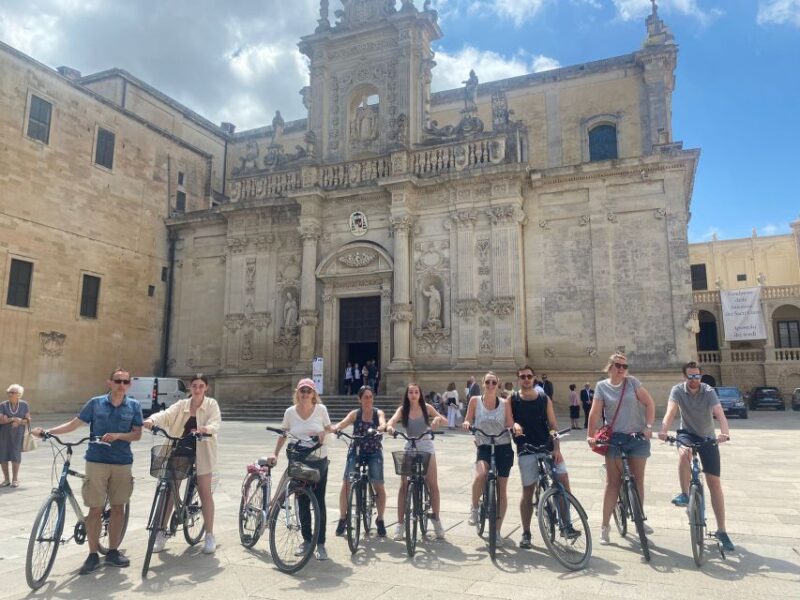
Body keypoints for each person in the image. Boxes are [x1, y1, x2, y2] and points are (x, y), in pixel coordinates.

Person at [32, 367, 142, 573]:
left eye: (125, 382)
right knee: (95, 508)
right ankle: (92, 555)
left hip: (122, 461)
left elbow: (137, 434)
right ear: (109, 382)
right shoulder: (96, 403)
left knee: (118, 507)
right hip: (96, 460)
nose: (121, 385)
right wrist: (48, 431)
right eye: (117, 381)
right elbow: (75, 424)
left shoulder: (134, 406)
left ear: (129, 384)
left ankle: (113, 551)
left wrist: (119, 435)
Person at [658, 361, 735, 552]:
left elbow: (719, 414)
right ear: (685, 377)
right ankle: (685, 494)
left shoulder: (708, 391)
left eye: (697, 376)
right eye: (691, 376)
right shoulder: (677, 390)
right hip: (687, 433)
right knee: (684, 452)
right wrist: (663, 430)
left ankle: (722, 530)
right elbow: (671, 411)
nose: (694, 380)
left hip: (708, 436)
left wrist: (724, 433)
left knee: (714, 484)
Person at [142, 374, 221, 554]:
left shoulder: (211, 405)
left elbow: (215, 422)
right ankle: (161, 532)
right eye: (194, 386)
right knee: (171, 488)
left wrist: (205, 429)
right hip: (181, 448)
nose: (198, 389)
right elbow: (166, 414)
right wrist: (152, 420)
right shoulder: (182, 405)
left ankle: (209, 535)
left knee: (204, 491)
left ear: (206, 388)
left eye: (201, 386)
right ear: (190, 388)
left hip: (203, 450)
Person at [587, 353, 656, 545]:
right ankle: (604, 526)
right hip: (615, 439)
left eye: (624, 366)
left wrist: (649, 427)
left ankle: (640, 520)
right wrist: (590, 435)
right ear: (609, 367)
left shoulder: (633, 383)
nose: (621, 369)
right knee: (613, 483)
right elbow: (594, 413)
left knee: (638, 479)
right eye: (617, 365)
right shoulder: (602, 386)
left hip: (637, 438)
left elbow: (649, 403)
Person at [510, 365, 576, 549]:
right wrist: (514, 425)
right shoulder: (512, 399)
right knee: (528, 490)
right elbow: (509, 421)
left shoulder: (544, 399)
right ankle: (526, 532)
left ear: (534, 378)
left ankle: (566, 524)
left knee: (562, 479)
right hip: (526, 448)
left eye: (529, 376)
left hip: (547, 446)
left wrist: (557, 448)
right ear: (518, 379)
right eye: (522, 376)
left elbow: (553, 425)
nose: (526, 379)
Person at [268, 378, 333, 560]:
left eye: (308, 391)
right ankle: (306, 540)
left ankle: (320, 543)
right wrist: (275, 453)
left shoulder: (321, 410)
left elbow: (329, 428)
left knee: (319, 501)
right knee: (302, 500)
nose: (305, 394)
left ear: (314, 394)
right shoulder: (290, 412)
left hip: (318, 458)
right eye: (302, 391)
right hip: (297, 459)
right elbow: (283, 434)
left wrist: (324, 433)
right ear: (297, 393)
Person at [386, 383, 447, 540]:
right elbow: (391, 421)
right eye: (411, 392)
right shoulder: (403, 410)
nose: (413, 395)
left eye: (416, 392)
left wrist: (437, 420)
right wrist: (390, 427)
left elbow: (444, 420)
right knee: (403, 485)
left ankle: (436, 519)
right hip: (410, 445)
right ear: (407, 395)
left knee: (432, 484)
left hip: (426, 445)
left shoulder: (427, 407)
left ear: (420, 394)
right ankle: (400, 524)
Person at [462, 372, 515, 544]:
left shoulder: (505, 403)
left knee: (502, 488)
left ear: (498, 384)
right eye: (488, 382)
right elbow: (468, 419)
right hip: (484, 444)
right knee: (480, 475)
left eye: (493, 382)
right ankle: (475, 507)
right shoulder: (475, 401)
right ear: (483, 384)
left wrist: (515, 427)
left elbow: (509, 423)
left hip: (503, 445)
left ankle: (497, 531)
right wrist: (467, 424)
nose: (491, 385)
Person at [332, 385, 388, 538]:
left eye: (370, 397)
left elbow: (383, 423)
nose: (368, 400)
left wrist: (381, 428)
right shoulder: (355, 414)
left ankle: (380, 519)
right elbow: (342, 423)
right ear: (359, 399)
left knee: (379, 485)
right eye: (365, 397)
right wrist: (336, 428)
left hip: (374, 451)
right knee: (346, 484)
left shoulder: (378, 413)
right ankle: (343, 518)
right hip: (356, 451)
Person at [0, 384, 31, 488]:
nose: (10, 394)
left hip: (18, 434)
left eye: (12, 392)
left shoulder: (24, 405)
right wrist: (13, 419)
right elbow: (1, 420)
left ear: (19, 394)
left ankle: (15, 479)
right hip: (4, 434)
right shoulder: (3, 405)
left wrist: (20, 421)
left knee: (15, 454)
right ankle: (6, 479)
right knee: (3, 455)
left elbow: (28, 420)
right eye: (9, 392)